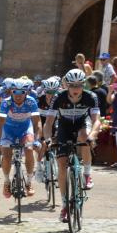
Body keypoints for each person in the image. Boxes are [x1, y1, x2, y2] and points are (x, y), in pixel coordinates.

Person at [42, 68, 100, 223]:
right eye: (72, 85)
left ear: (84, 84)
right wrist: (48, 139)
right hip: (64, 127)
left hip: (82, 123)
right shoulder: (58, 98)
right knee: (61, 165)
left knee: (84, 136)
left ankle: (87, 174)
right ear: (67, 85)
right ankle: (65, 205)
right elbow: (48, 123)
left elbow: (96, 120)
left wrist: (93, 135)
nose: (75, 89)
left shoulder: (91, 97)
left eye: (79, 85)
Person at [0, 78, 42, 197]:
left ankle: (28, 181)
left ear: (26, 92)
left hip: (25, 129)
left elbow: (37, 122)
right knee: (6, 156)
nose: (18, 95)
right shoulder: (6, 103)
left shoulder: (31, 102)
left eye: (21, 92)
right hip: (8, 131)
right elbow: (0, 122)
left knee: (29, 149)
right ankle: (6, 181)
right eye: (15, 92)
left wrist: (37, 140)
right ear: (11, 92)